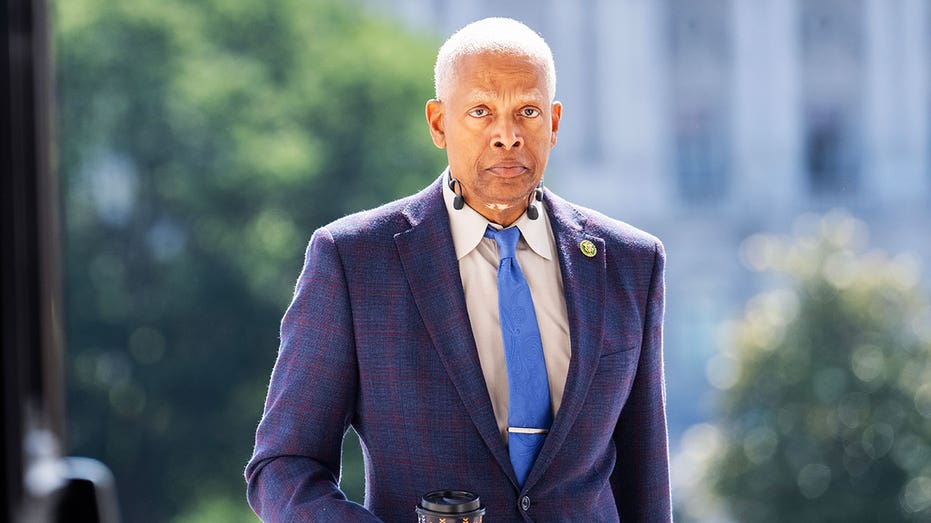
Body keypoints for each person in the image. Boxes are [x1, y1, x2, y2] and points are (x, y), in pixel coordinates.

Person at [246, 17, 670, 522]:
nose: (507, 136)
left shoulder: (630, 263)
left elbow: (645, 483)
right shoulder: (354, 261)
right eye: (481, 112)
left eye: (528, 112)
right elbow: (283, 465)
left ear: (554, 123)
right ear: (439, 123)